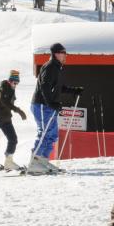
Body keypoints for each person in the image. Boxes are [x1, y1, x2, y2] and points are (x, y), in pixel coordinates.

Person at [28, 43, 82, 175]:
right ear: (56, 54)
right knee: (45, 132)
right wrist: (50, 103)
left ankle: (43, 160)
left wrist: (73, 90)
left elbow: (58, 87)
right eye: (63, 53)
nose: (65, 55)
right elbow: (44, 86)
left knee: (52, 134)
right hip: (41, 104)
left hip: (48, 105)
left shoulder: (57, 68)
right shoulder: (51, 66)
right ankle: (35, 161)